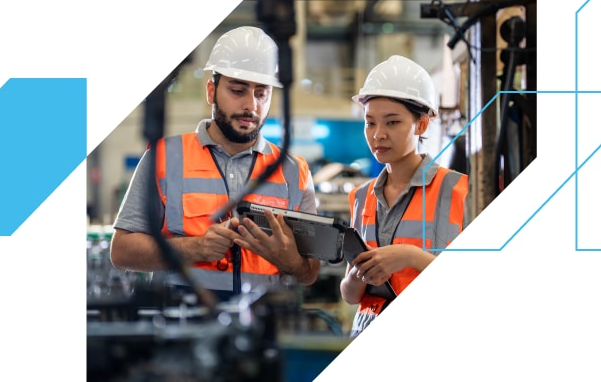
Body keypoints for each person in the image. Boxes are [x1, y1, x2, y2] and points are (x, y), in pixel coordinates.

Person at [110, 26, 320, 301]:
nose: (250, 106)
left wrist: (290, 261)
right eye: (237, 90)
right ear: (211, 91)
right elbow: (122, 252)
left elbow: (310, 273)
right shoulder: (164, 157)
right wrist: (195, 248)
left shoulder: (295, 171)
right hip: (181, 320)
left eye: (261, 93)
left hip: (259, 323)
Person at [340, 55, 469, 337]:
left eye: (392, 122)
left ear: (421, 125)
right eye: (370, 123)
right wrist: (356, 275)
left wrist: (410, 257)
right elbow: (351, 296)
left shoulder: (461, 192)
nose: (378, 135)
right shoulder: (361, 197)